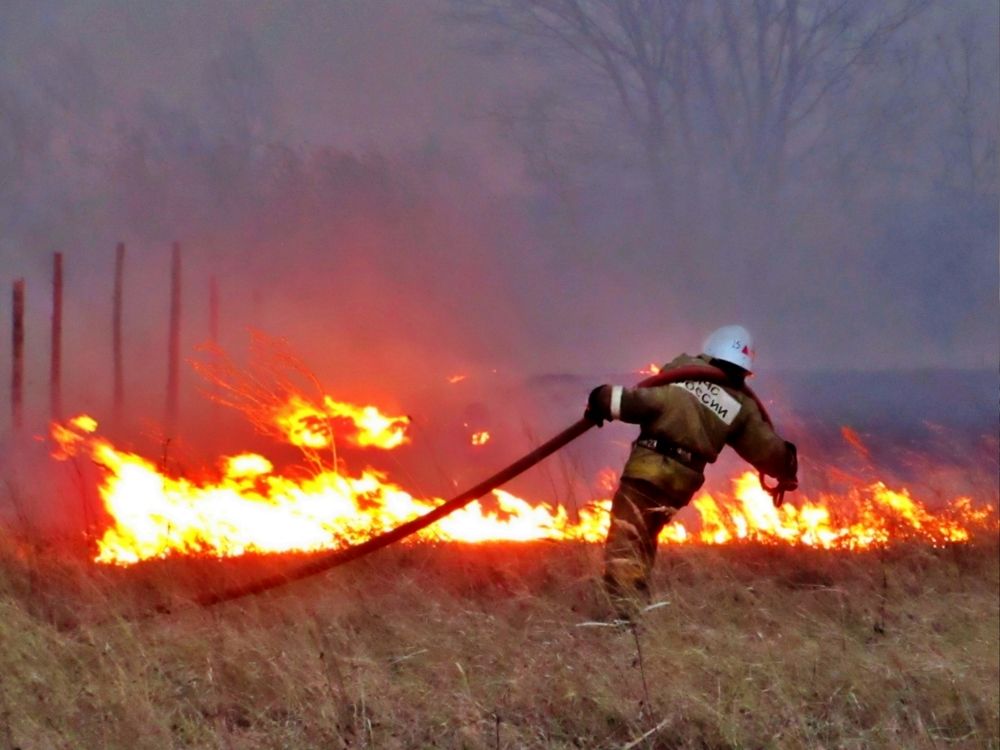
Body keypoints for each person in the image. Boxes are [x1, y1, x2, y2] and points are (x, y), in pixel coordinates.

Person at [584, 325, 798, 618]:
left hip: (647, 472)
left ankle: (623, 618)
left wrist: (600, 398)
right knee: (644, 540)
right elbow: (766, 448)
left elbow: (637, 402)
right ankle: (635, 608)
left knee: (625, 544)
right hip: (679, 486)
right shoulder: (741, 405)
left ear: (712, 350)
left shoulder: (682, 376)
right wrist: (787, 464)